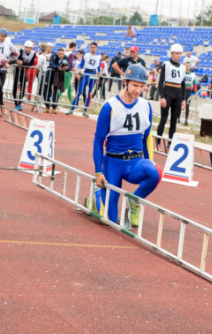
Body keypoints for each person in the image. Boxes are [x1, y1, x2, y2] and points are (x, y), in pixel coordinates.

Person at [92, 64, 160, 229]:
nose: (138, 90)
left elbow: (146, 137)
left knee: (155, 172)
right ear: (125, 82)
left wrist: (149, 161)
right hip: (113, 163)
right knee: (108, 220)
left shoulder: (145, 106)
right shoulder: (109, 107)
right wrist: (98, 171)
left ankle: (134, 200)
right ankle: (97, 197)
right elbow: (98, 140)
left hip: (134, 162)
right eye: (135, 85)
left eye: (142, 87)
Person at [156, 44, 187, 143]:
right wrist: (162, 97)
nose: (178, 55)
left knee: (174, 120)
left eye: (180, 53)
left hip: (178, 94)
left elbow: (183, 84)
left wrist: (184, 99)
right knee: (164, 118)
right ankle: (158, 141)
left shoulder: (183, 67)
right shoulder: (166, 64)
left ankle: (170, 142)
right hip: (168, 92)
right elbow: (161, 82)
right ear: (172, 53)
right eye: (176, 53)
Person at [68, 42, 102, 117]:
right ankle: (72, 109)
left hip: (93, 76)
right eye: (92, 47)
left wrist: (100, 72)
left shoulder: (99, 57)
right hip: (86, 74)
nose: (93, 49)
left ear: (97, 48)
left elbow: (99, 68)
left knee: (90, 94)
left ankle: (85, 111)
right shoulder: (86, 55)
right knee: (79, 92)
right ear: (90, 47)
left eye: (94, 47)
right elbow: (81, 64)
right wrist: (80, 69)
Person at [0, 28, 19, 115]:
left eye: (2, 36)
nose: (0, 37)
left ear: (5, 37)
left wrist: (9, 60)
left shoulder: (8, 43)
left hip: (3, 69)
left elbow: (17, 53)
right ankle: (2, 105)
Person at [14, 40, 37, 110]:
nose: (27, 49)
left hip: (24, 71)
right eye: (26, 47)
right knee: (15, 87)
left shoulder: (33, 54)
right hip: (17, 70)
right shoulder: (21, 51)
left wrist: (23, 63)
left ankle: (19, 103)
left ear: (31, 48)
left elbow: (30, 64)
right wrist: (24, 63)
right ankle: (16, 103)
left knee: (23, 87)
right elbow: (18, 61)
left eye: (28, 48)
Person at [47, 47, 69, 113]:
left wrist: (66, 68)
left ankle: (54, 107)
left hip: (58, 76)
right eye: (60, 54)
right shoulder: (53, 56)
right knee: (48, 90)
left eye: (62, 54)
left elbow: (69, 67)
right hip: (50, 74)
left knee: (56, 92)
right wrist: (57, 67)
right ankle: (47, 106)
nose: (61, 55)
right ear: (57, 53)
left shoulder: (66, 58)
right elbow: (51, 64)